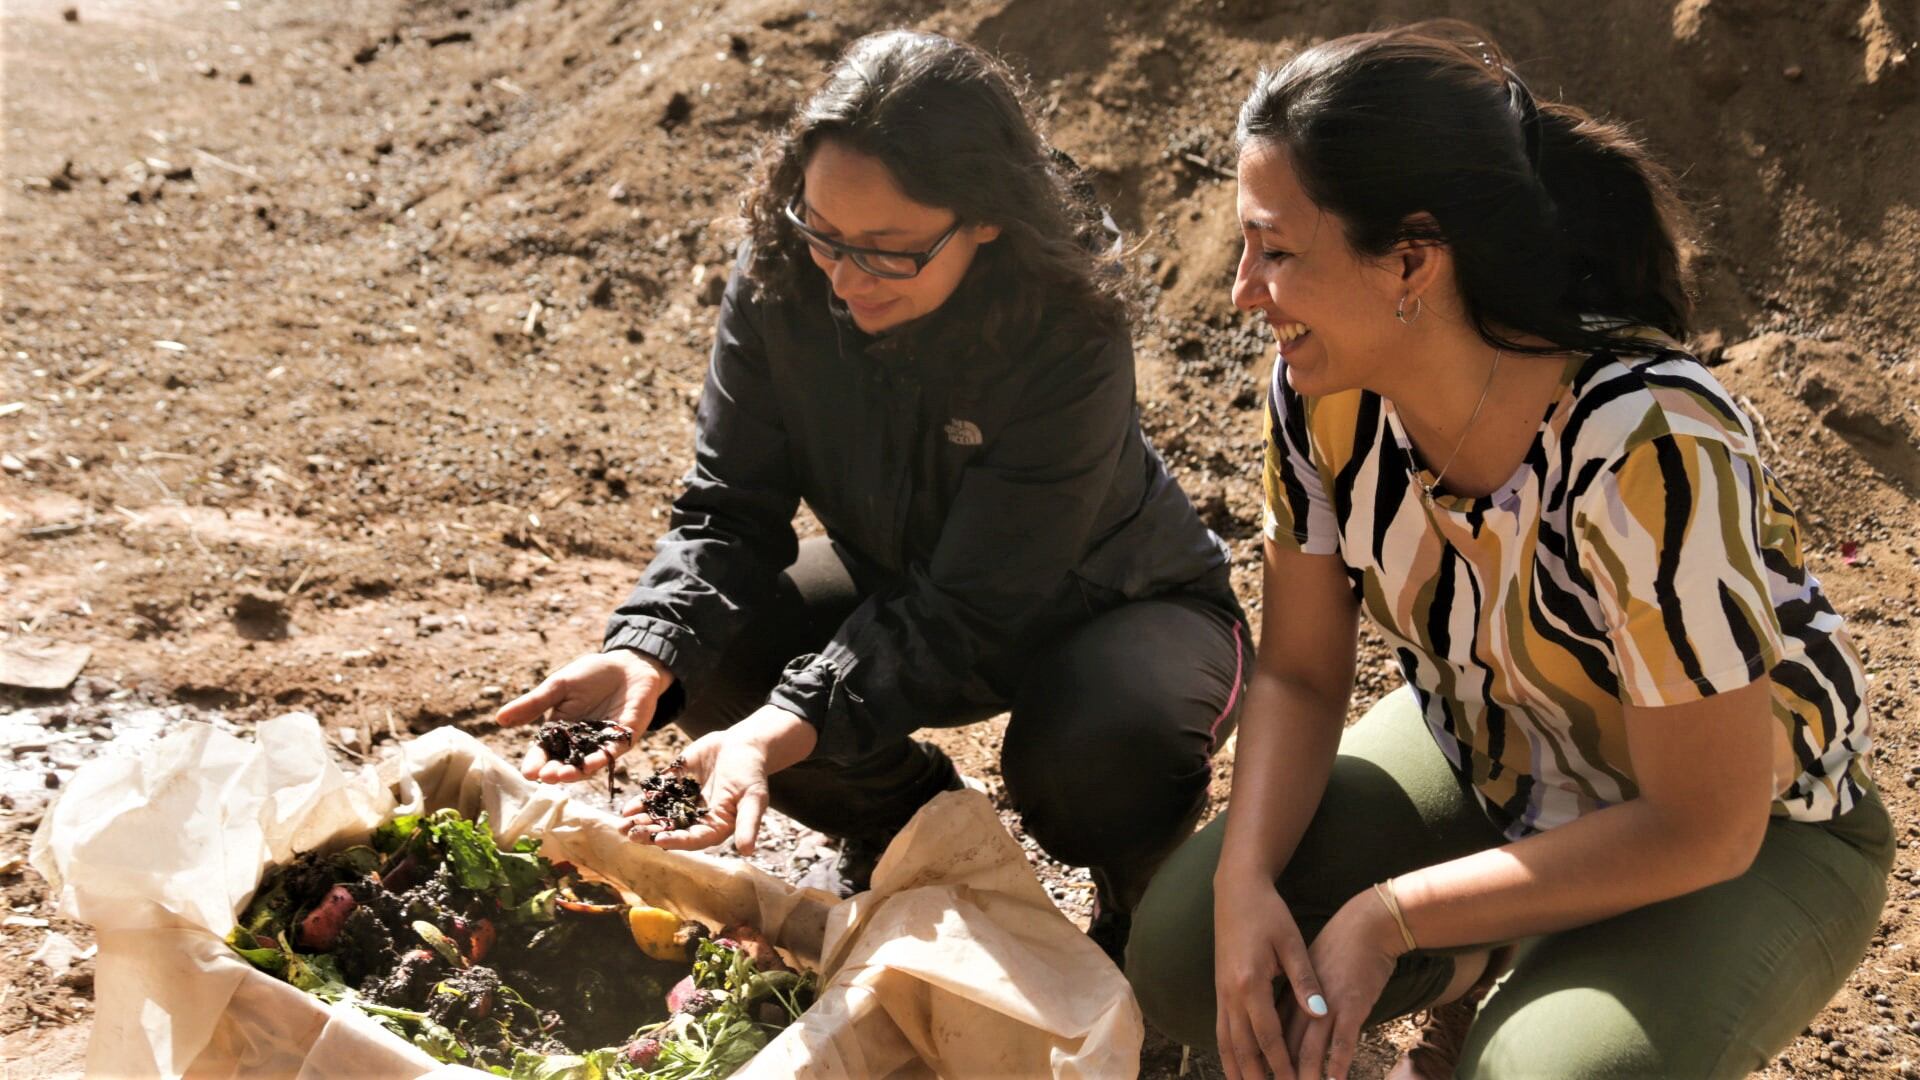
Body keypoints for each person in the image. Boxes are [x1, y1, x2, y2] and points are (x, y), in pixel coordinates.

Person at [1124, 21, 1890, 1080]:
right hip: (1506, 757)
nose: (1244, 289)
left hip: (1751, 835)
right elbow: (1300, 674)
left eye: (1279, 251)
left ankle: (1508, 970)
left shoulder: (1645, 445)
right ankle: (1483, 949)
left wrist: (1390, 916)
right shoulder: (1321, 397)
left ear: (1410, 261)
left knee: (1541, 1074)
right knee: (1184, 954)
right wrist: (1242, 883)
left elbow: (1702, 826)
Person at [494, 29, 1249, 959]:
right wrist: (647, 649)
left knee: (1093, 763)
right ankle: (914, 830)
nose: (845, 277)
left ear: (985, 217)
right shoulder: (783, 276)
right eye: (824, 233)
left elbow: (973, 603)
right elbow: (730, 506)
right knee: (712, 663)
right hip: (914, 581)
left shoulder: (1069, 326)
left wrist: (794, 720)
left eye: (888, 251)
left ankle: (1145, 904)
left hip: (1118, 603)